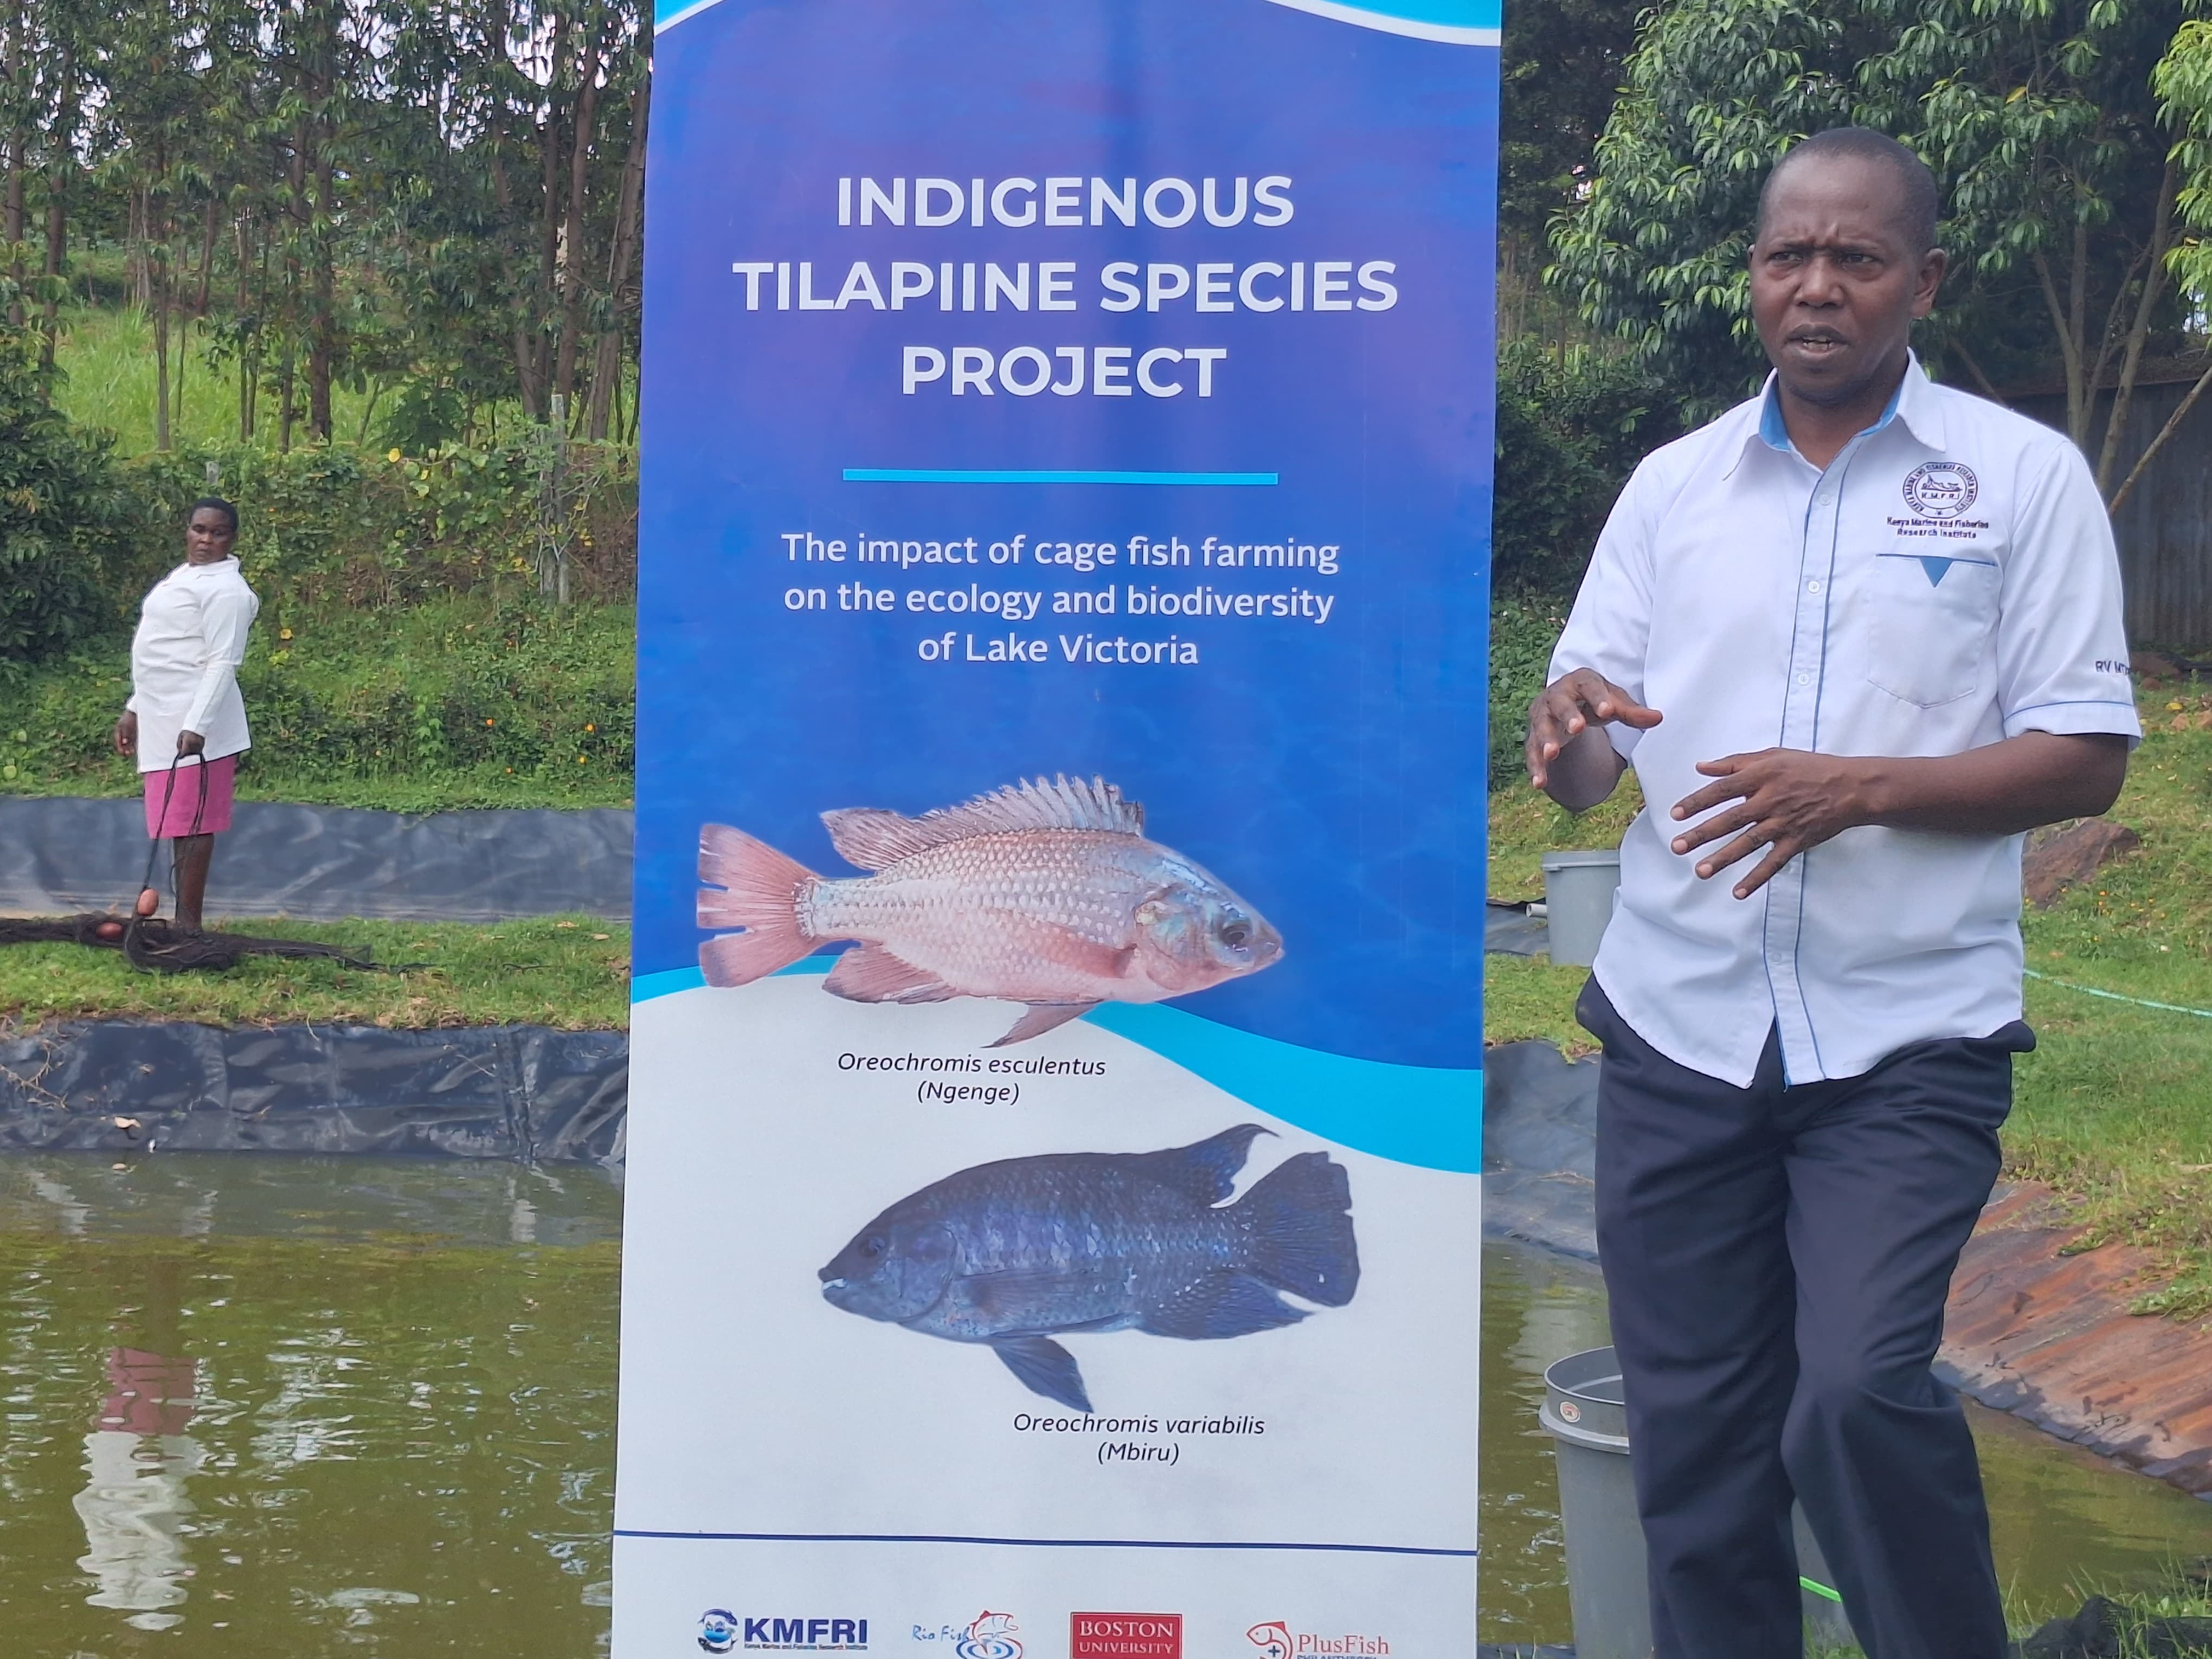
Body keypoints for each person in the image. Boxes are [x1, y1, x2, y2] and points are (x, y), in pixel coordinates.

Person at [1525, 128, 2137, 1659]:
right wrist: (1567, 731)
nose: (1817, 286)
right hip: (1678, 1031)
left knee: (1857, 1389)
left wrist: (1853, 787)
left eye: (1856, 258)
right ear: (1751, 277)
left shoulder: (2021, 478)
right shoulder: (1672, 490)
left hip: (1905, 1037)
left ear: (1921, 280)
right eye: (1787, 255)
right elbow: (1587, 760)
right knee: (1695, 1449)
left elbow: (2087, 757)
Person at [112, 498, 260, 934]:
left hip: (195, 726)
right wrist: (134, 708)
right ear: (187, 530)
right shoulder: (185, 577)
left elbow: (222, 663)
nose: (205, 540)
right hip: (161, 716)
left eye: (217, 533)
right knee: (177, 820)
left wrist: (196, 726)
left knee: (194, 825)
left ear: (231, 539)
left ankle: (188, 926)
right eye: (199, 530)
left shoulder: (229, 592)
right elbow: (165, 650)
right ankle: (181, 922)